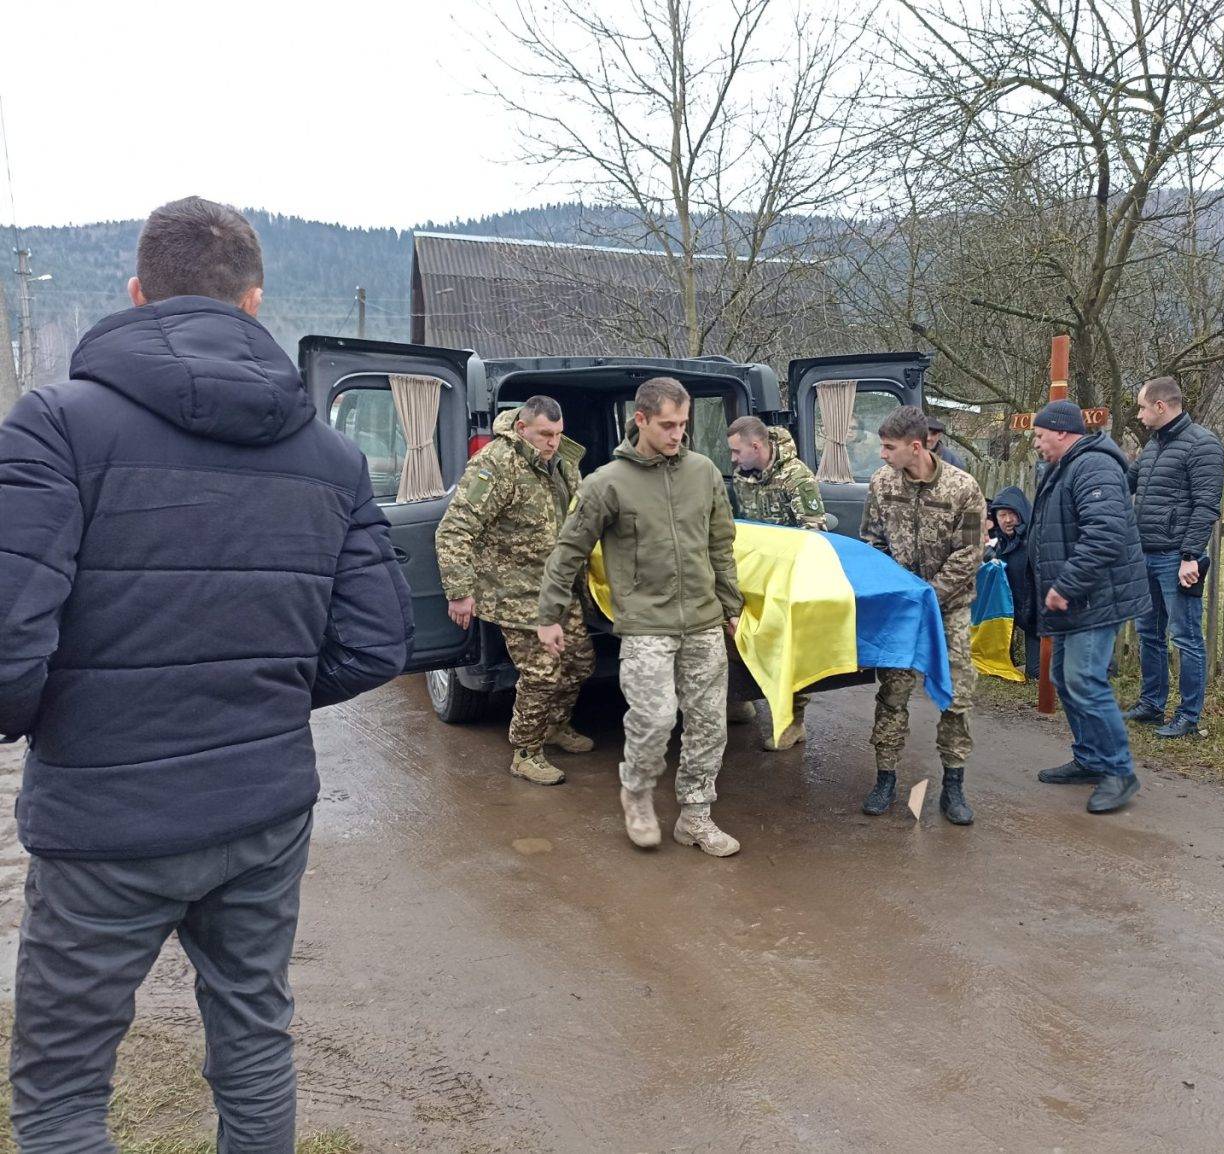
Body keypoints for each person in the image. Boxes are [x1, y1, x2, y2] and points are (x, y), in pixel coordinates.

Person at [0, 197, 413, 1150]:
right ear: (255, 303)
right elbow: (374, 643)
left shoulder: (55, 426)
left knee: (62, 1095)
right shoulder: (334, 456)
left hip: (105, 819)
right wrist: (260, 693)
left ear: (138, 294)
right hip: (260, 815)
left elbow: (9, 651)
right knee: (255, 1042)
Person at [536, 377, 745, 857]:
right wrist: (548, 614)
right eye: (667, 425)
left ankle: (695, 816)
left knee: (710, 723)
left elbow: (721, 544)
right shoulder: (606, 483)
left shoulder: (704, 472)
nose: (677, 434)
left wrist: (730, 607)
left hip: (702, 620)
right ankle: (636, 793)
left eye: (683, 424)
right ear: (642, 420)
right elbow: (568, 551)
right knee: (653, 718)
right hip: (646, 622)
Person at [436, 397, 594, 785]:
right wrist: (459, 591)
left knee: (579, 663)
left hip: (558, 588)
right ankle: (526, 752)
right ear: (522, 429)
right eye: (545, 434)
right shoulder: (496, 464)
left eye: (558, 434)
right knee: (541, 674)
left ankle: (555, 726)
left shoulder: (562, 462)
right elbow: (454, 529)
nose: (553, 442)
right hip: (516, 591)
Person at [859, 405, 987, 825]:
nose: (882, 454)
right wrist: (897, 591)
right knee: (892, 694)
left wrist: (930, 595)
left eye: (888, 446)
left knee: (956, 695)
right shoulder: (881, 483)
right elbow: (871, 542)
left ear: (916, 447)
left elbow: (970, 553)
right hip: (901, 610)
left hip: (948, 608)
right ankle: (885, 778)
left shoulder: (962, 488)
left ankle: (953, 784)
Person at [1026, 400, 1151, 814]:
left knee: (1084, 678)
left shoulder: (1094, 466)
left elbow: (1106, 533)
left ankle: (1119, 772)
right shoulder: (1063, 467)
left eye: (1040, 436)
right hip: (1076, 599)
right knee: (1064, 677)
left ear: (1061, 432)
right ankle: (1090, 759)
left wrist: (1066, 584)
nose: (1037, 444)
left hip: (1097, 597)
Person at [1123, 375, 1224, 738]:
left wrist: (1190, 556)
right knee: (1148, 633)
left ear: (1161, 407)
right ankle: (1152, 704)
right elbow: (1126, 482)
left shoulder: (1203, 445)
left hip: (1175, 559)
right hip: (1145, 555)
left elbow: (1206, 506)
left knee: (1185, 636)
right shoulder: (1153, 447)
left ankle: (1188, 716)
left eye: (1142, 407)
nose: (1138, 414)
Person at [727, 415, 827, 750]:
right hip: (753, 577)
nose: (733, 459)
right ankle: (740, 698)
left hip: (789, 579)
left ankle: (793, 722)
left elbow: (814, 533)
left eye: (737, 451)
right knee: (737, 632)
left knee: (788, 648)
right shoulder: (743, 476)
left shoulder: (796, 477)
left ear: (757, 446)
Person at [986, 486, 1041, 680]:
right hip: (1011, 615)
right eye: (1002, 515)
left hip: (1037, 619)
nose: (1008, 520)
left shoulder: (1035, 540)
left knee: (1036, 674)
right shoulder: (997, 544)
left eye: (1012, 514)